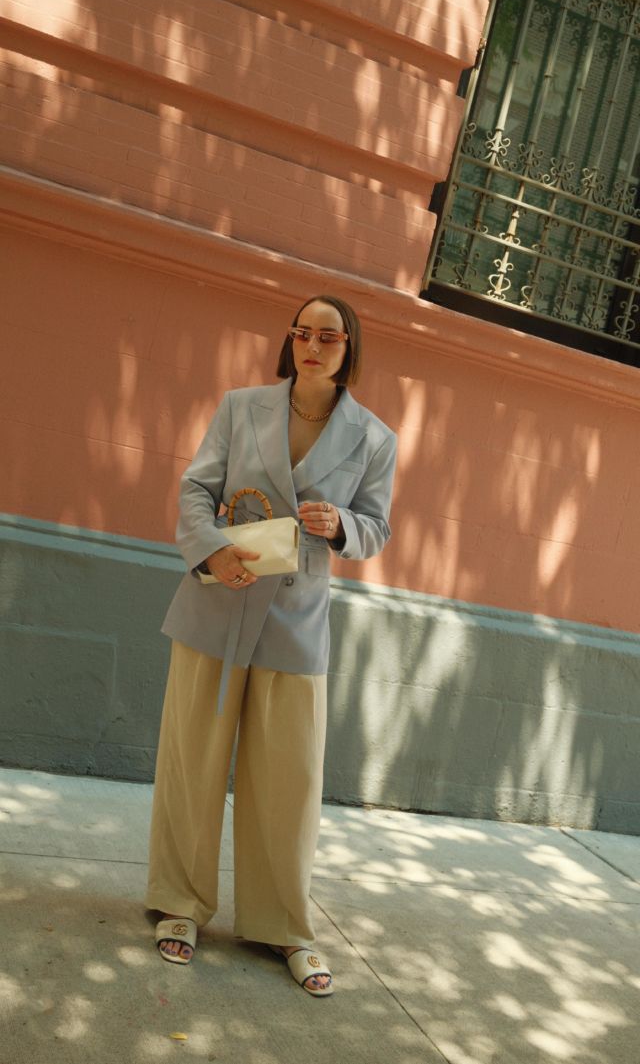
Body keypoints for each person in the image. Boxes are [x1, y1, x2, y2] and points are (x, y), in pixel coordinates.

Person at [145, 294, 397, 996]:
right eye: (303, 333)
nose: (313, 346)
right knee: (193, 760)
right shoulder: (241, 406)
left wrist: (341, 523)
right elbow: (197, 490)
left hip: (295, 620)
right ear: (291, 341)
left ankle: (283, 923)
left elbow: (376, 528)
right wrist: (212, 549)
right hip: (217, 603)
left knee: (290, 780)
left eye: (329, 337)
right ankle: (179, 903)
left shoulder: (375, 439)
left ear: (349, 348)